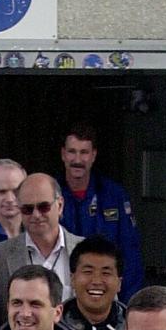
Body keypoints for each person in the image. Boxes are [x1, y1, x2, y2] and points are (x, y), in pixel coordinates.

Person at [0, 174, 81, 330]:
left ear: (60, 205)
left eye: (43, 207)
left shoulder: (86, 251)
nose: (36, 215)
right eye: (27, 209)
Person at [59, 124, 144, 299]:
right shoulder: (50, 196)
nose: (77, 159)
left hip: (106, 294)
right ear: (63, 154)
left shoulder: (114, 195)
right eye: (72, 151)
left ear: (93, 156)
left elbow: (130, 254)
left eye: (84, 152)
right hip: (63, 295)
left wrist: (127, 307)